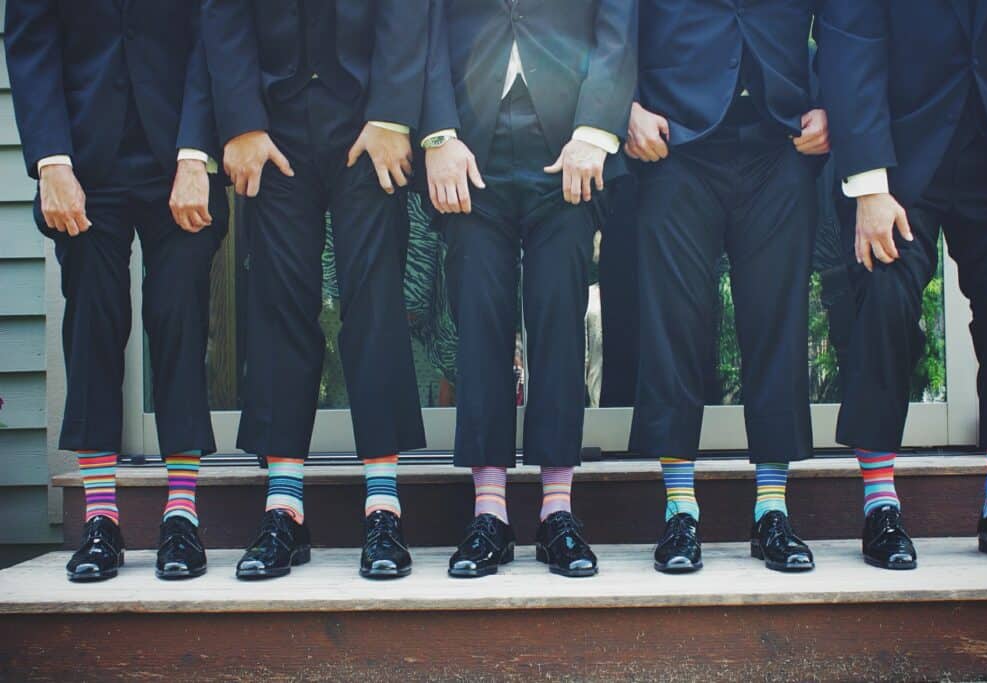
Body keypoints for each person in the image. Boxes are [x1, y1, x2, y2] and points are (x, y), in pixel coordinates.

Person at [201, 0, 428, 580]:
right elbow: (221, 15)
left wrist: (393, 115)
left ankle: (383, 506)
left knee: (374, 303)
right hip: (273, 127)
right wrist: (241, 123)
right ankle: (284, 508)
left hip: (368, 118)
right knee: (277, 305)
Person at [6, 0, 226, 582]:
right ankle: (100, 518)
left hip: (179, 156)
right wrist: (51, 162)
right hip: (80, 159)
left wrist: (196, 153)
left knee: (178, 311)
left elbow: (213, 37)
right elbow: (30, 42)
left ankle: (182, 515)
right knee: (93, 321)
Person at [422, 0, 637, 578]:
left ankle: (556, 513)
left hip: (570, 147)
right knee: (479, 322)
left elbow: (618, 25)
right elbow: (426, 24)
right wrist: (438, 134)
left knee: (559, 321)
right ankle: (488, 513)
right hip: (468, 147)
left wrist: (595, 131)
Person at [818, 1, 987, 569]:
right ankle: (879, 502)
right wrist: (867, 186)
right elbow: (848, 40)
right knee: (884, 297)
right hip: (899, 164)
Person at [628, 0, 830, 574]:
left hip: (781, 143)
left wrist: (833, 105)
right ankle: (679, 510)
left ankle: (771, 510)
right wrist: (624, 108)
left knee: (777, 324)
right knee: (676, 326)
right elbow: (612, 19)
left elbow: (844, 20)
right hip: (673, 145)